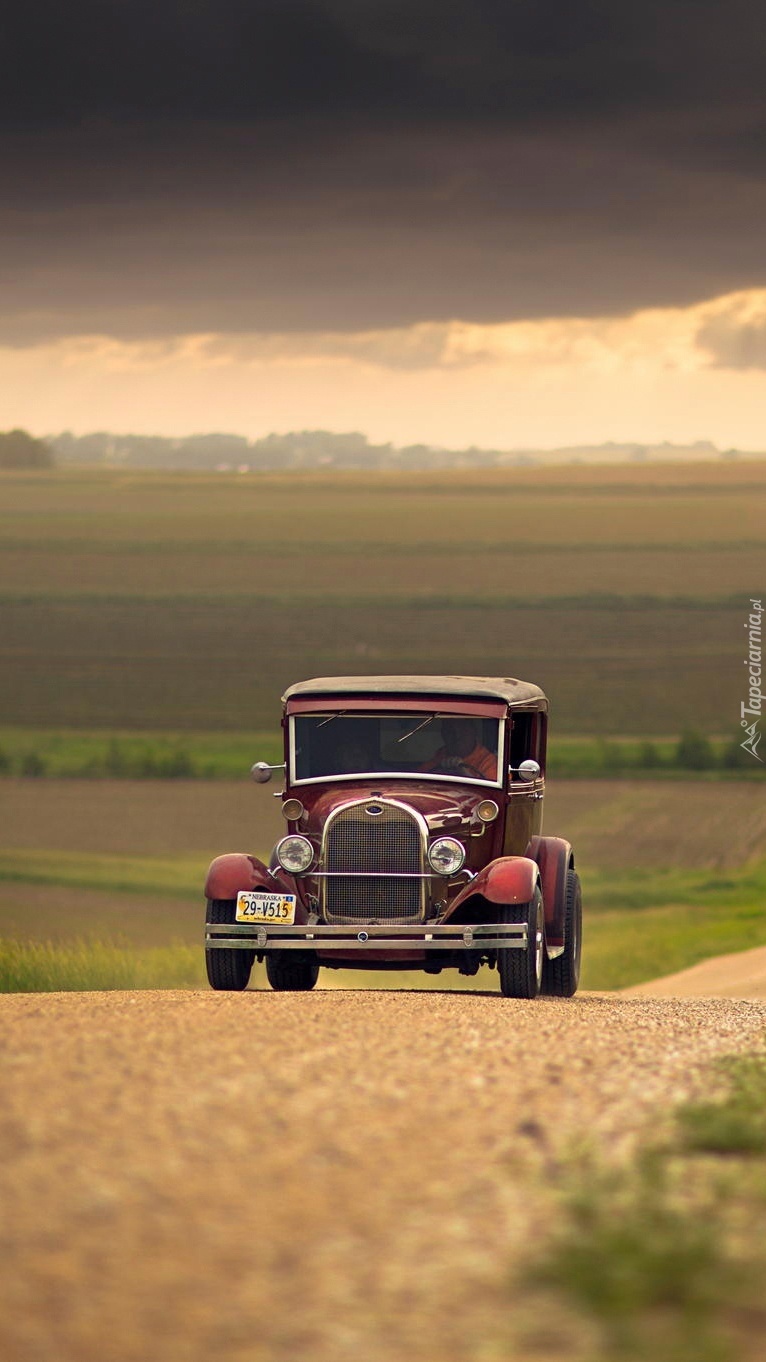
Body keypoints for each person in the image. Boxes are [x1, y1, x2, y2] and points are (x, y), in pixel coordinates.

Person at [421, 718, 497, 780]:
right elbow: (418, 783)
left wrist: (464, 773)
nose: (457, 736)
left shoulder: (489, 763)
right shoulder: (438, 758)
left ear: (473, 731)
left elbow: (489, 795)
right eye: (450, 731)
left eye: (462, 730)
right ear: (443, 734)